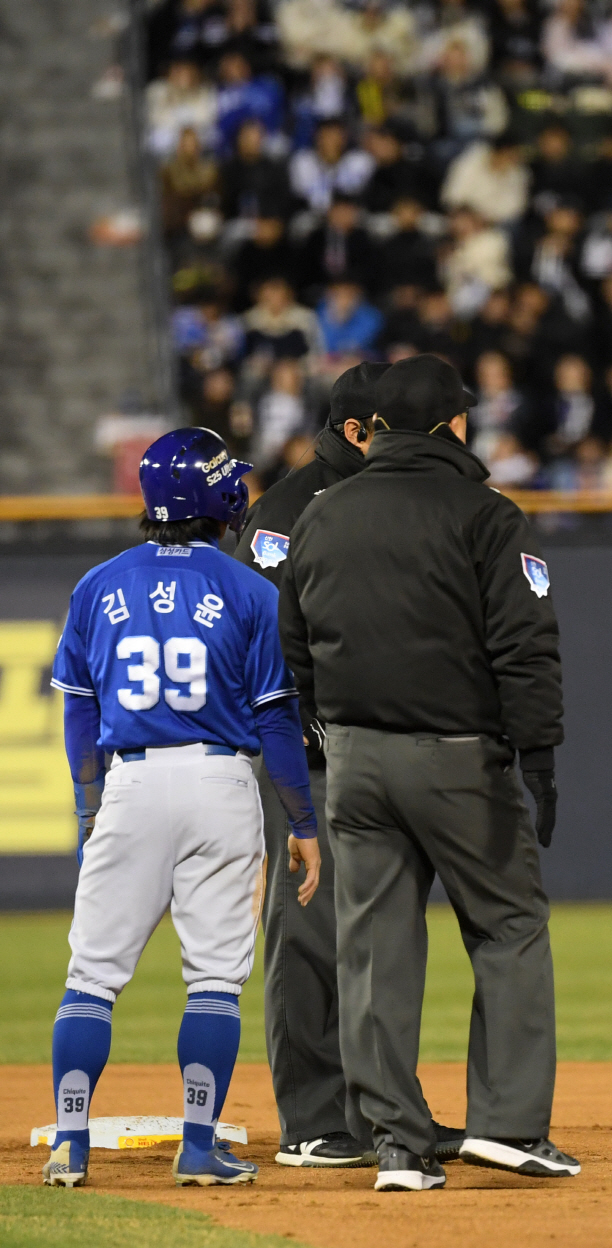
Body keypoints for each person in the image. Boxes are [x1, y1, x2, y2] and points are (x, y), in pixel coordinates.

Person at [277, 354, 578, 1191]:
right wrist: (540, 753)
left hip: (354, 764)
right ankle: (510, 1126)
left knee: (373, 946)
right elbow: (525, 646)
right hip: (457, 760)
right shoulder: (485, 513)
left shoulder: (323, 514)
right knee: (508, 927)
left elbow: (292, 645)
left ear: (379, 429)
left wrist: (328, 731)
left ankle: (398, 1144)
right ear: (452, 424)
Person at [42, 429, 319, 1189]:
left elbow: (79, 712)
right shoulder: (252, 590)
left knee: (92, 977)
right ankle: (198, 1145)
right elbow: (274, 721)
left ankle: (70, 1143)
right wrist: (301, 821)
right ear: (218, 496)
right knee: (214, 980)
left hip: (130, 782)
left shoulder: (99, 584)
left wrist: (88, 807)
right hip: (220, 786)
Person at [234, 363, 467, 1169]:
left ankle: (386, 1112)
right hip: (307, 755)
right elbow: (266, 649)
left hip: (376, 747)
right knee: (308, 934)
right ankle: (310, 1118)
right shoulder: (289, 510)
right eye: (398, 429)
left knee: (381, 938)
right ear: (362, 431)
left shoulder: (390, 498)